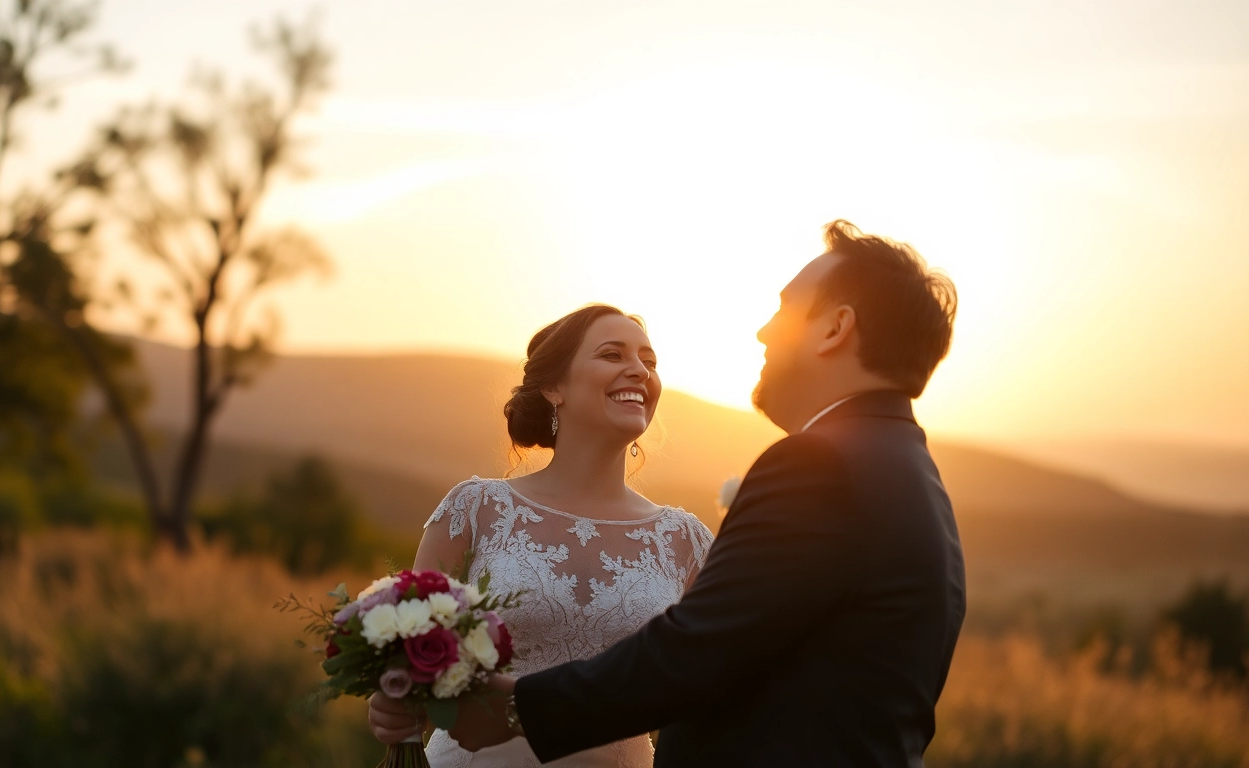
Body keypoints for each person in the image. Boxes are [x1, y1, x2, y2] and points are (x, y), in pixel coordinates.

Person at [381, 219, 967, 766]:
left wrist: (518, 708)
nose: (764, 330)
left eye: (785, 311)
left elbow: (696, 654)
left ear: (836, 328)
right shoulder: (912, 476)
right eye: (612, 354)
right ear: (553, 388)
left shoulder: (819, 468)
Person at [373, 304, 714, 767]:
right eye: (613, 355)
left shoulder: (686, 542)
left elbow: (712, 690)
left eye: (649, 362)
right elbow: (411, 657)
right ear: (555, 387)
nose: (638, 370)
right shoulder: (476, 510)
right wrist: (395, 702)